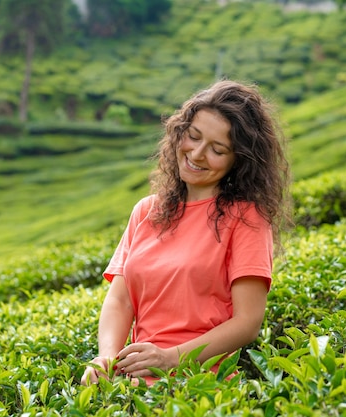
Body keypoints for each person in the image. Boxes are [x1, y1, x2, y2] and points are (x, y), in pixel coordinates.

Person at [80, 79, 291, 386]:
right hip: (135, 380)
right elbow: (121, 301)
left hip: (199, 385)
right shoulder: (146, 211)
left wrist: (171, 358)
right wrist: (107, 359)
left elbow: (247, 322)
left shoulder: (246, 217)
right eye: (193, 136)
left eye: (217, 149)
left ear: (238, 161)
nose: (197, 154)